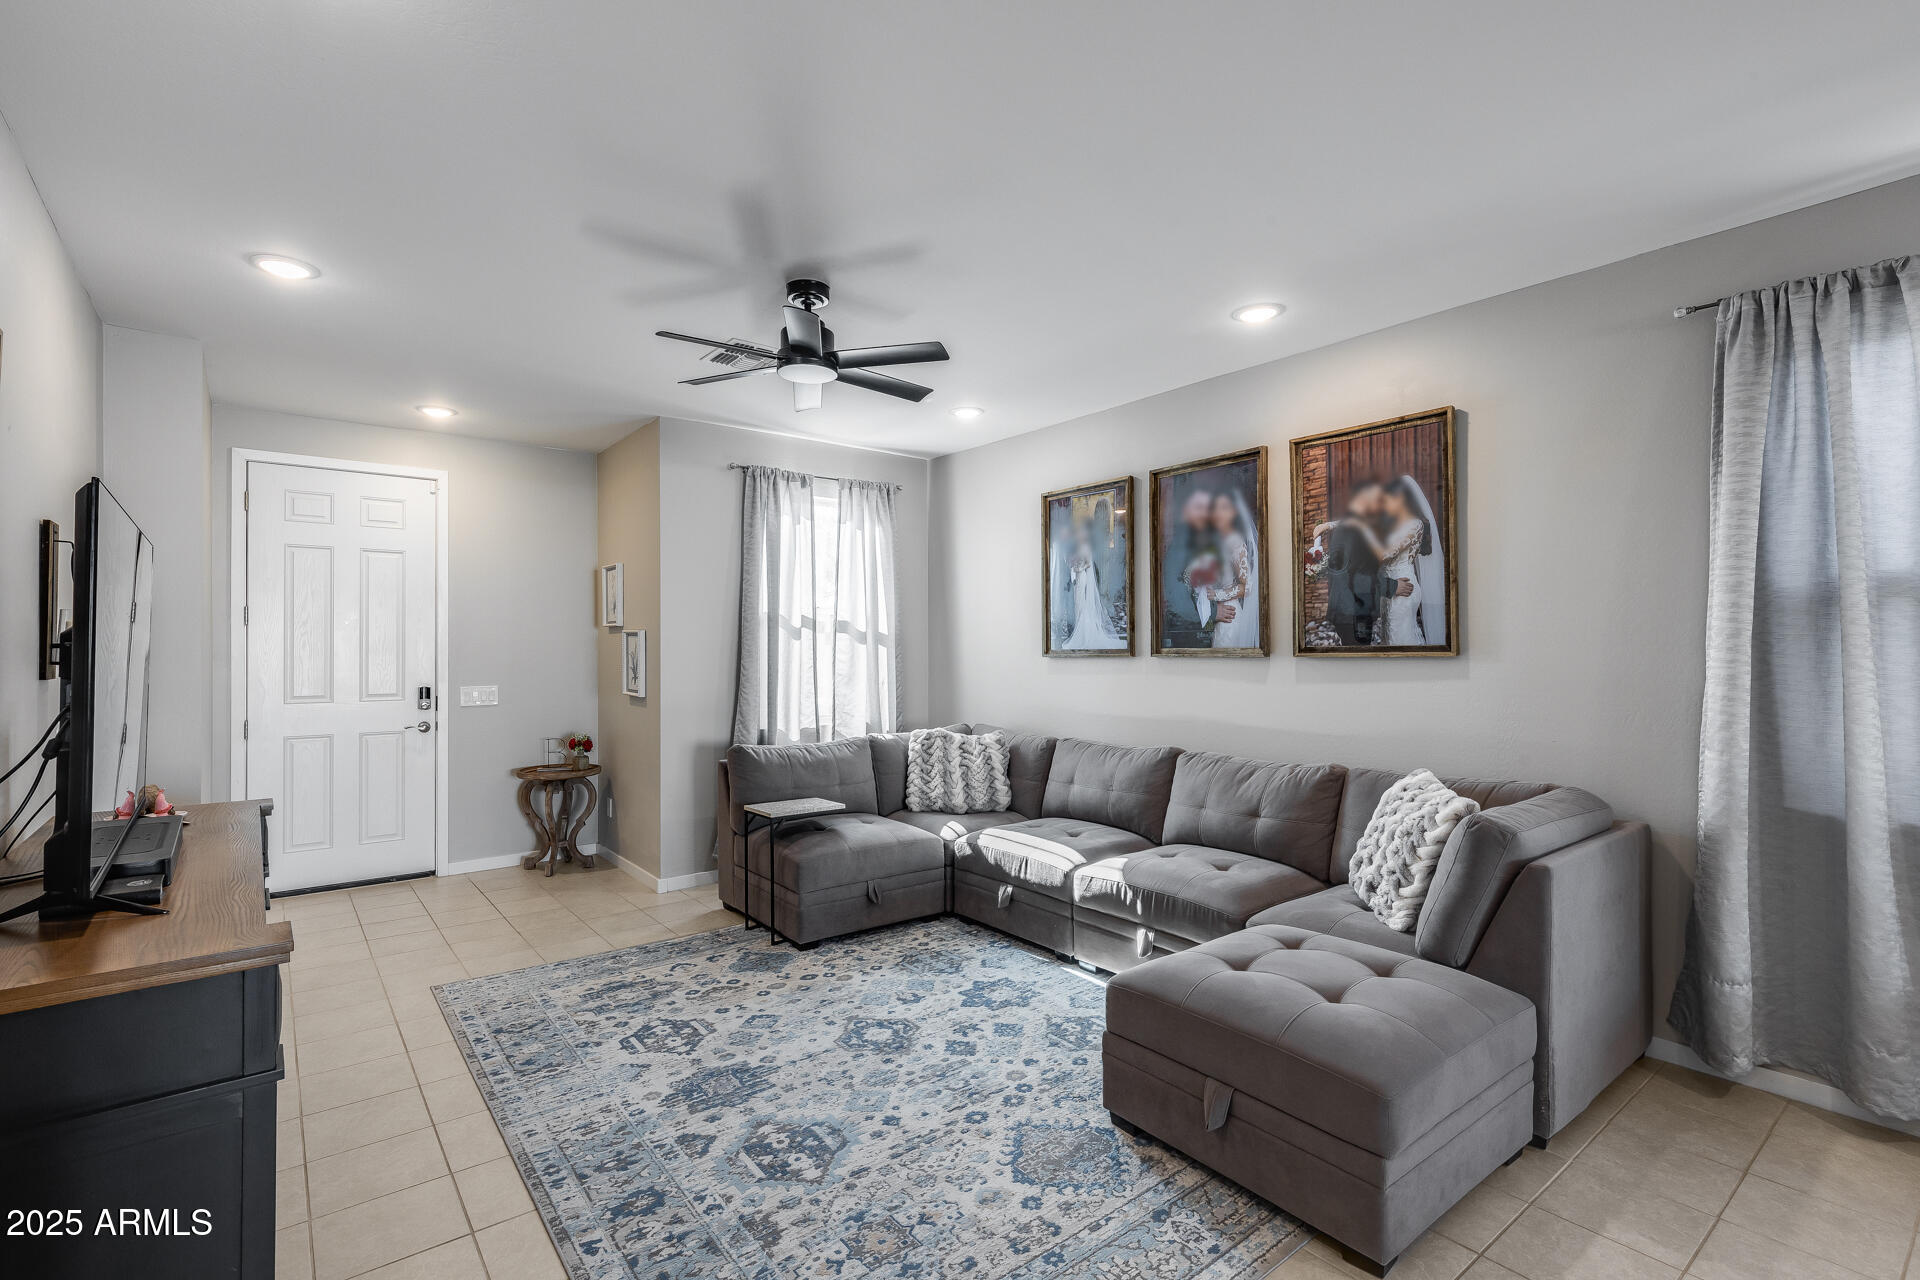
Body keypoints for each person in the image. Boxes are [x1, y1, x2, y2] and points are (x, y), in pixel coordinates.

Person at [1319, 475, 1441, 645]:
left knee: (1401, 639)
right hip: (1389, 588)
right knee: (1388, 638)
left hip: (1403, 586)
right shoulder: (1391, 524)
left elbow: (1382, 553)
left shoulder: (1413, 524)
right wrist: (1331, 525)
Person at [1203, 490, 1259, 648]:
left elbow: (1247, 585)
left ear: (1234, 513)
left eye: (1224, 507)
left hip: (1230, 614)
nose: (1218, 513)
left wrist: (1216, 595)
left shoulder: (1234, 541)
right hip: (1220, 616)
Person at [1161, 487, 1217, 647]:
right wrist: (1214, 613)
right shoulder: (1179, 547)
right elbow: (1175, 595)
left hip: (1208, 626)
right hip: (1186, 628)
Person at [1061, 519, 1122, 649]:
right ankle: (1080, 631)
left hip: (1082, 576)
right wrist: (1074, 564)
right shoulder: (1078, 547)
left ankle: (1085, 634)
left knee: (1081, 604)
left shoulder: (1086, 547)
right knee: (1078, 604)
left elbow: (1088, 563)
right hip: (1077, 575)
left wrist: (1079, 568)